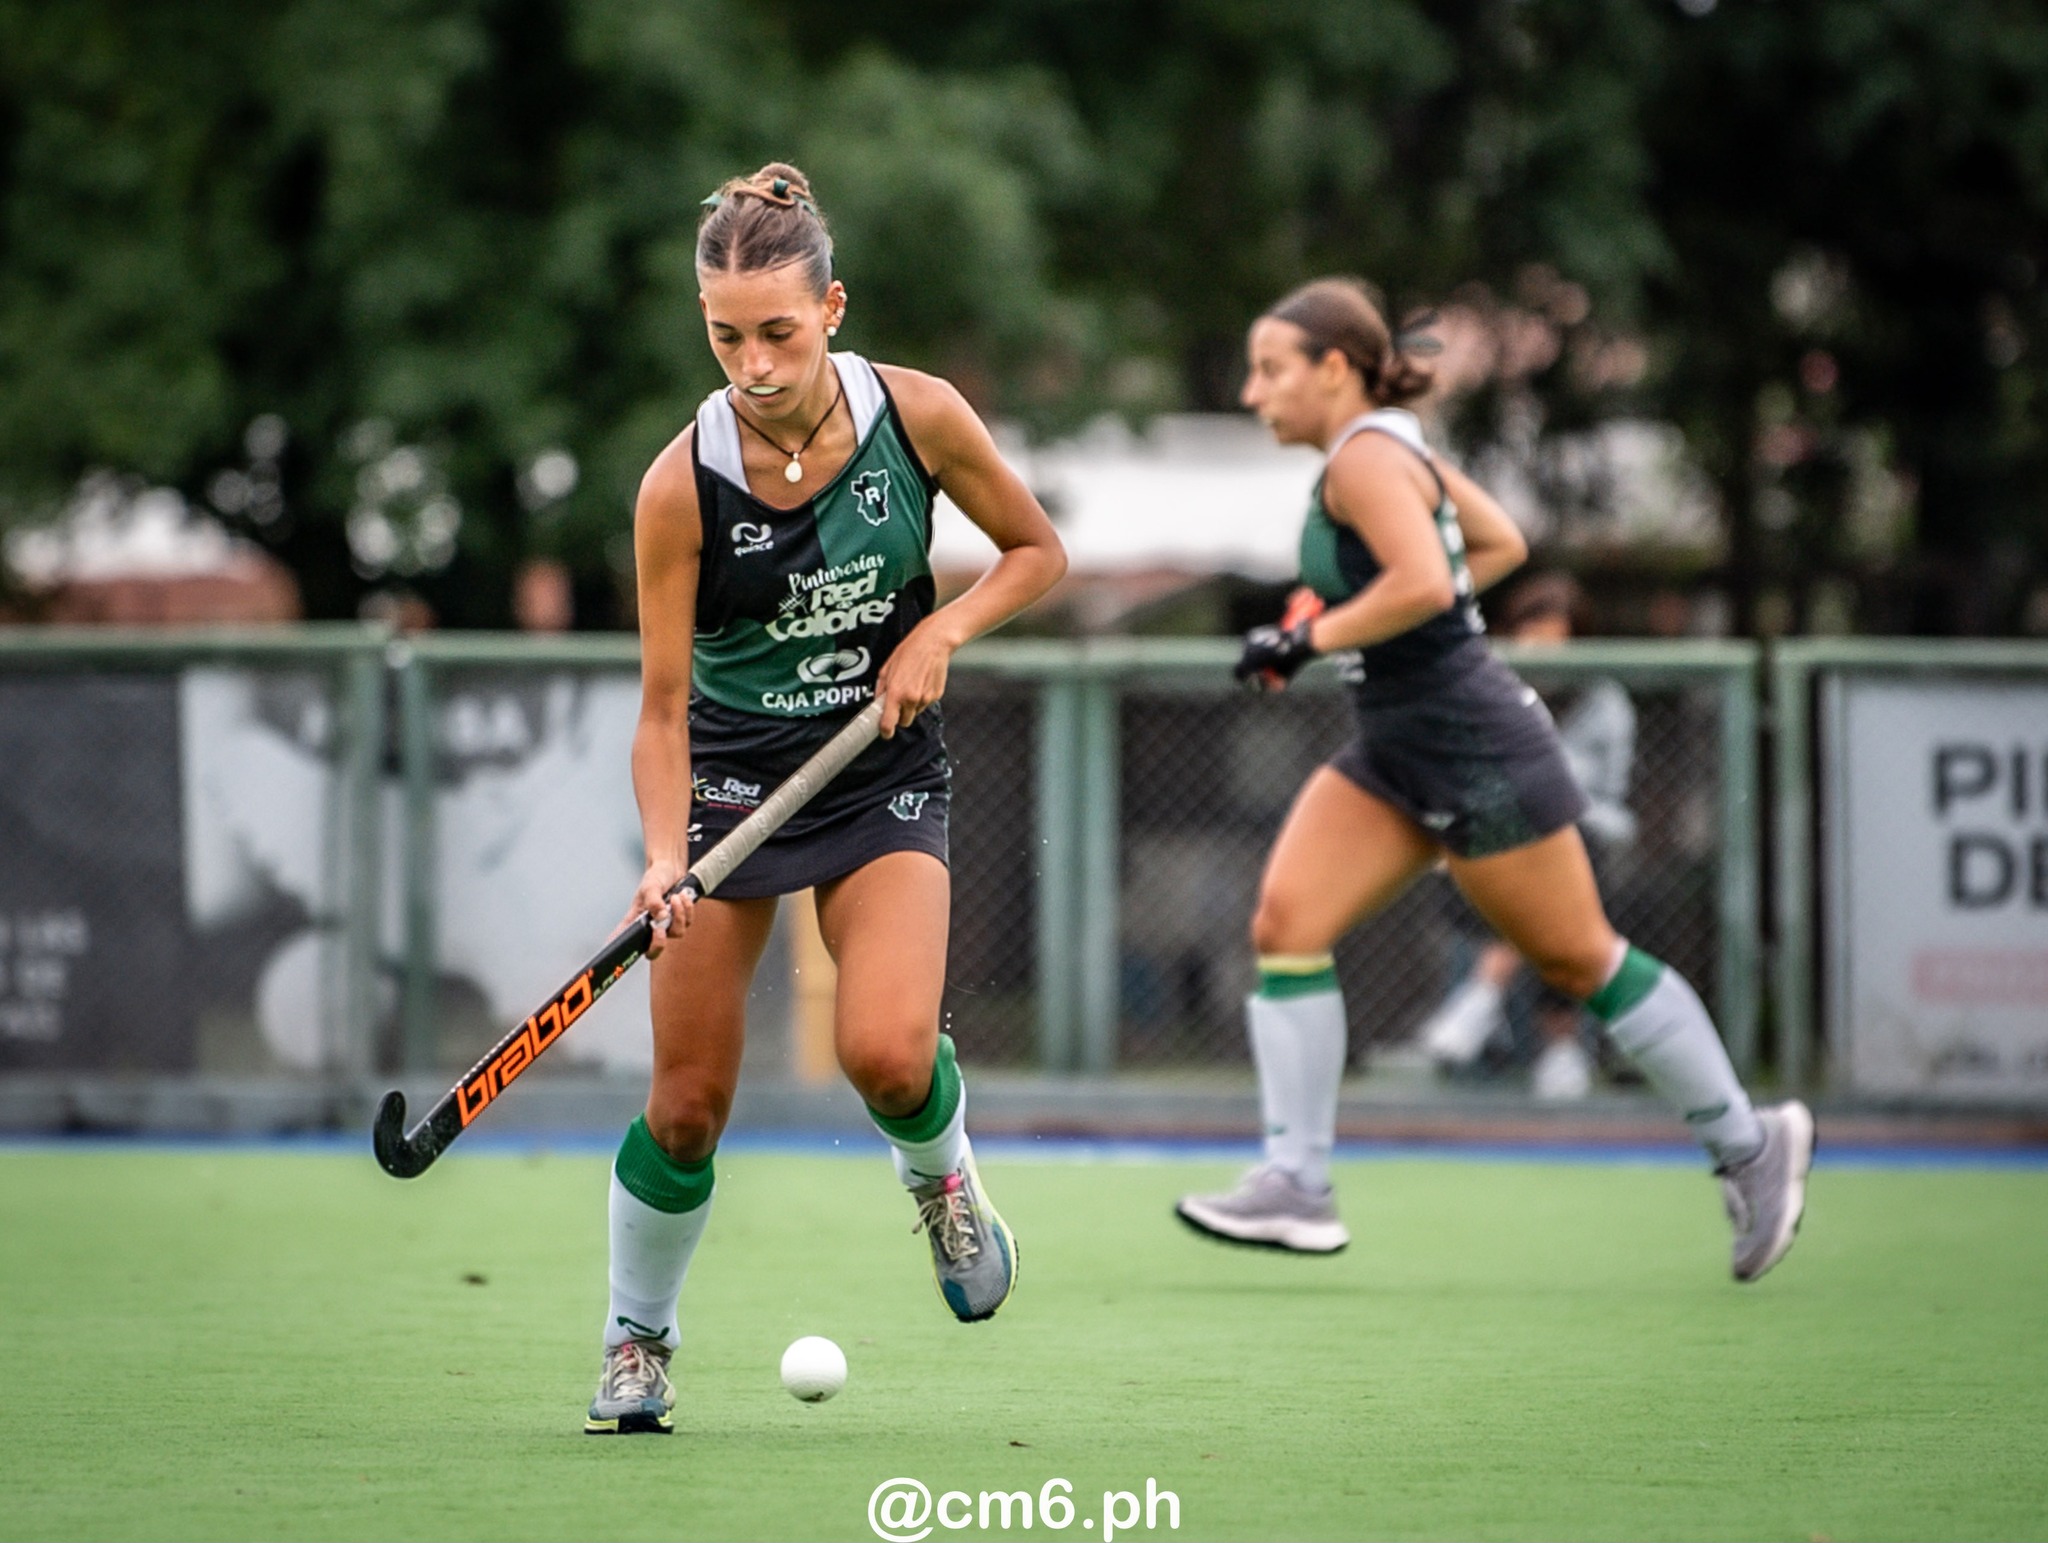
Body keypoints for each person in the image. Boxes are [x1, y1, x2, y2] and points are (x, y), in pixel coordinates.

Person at [1174, 277, 1811, 1282]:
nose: (1253, 394)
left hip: (1470, 742)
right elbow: (1497, 540)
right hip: (1394, 744)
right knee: (1284, 925)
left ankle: (1749, 1143)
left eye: (1268, 370)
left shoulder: (1368, 457)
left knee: (1579, 961)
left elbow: (1429, 582)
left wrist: (1304, 636)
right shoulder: (1387, 450)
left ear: (1331, 369)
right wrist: (1334, 609)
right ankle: (1294, 1181)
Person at [589, 163, 1066, 1435]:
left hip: (878, 773)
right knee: (686, 1106)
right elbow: (657, 707)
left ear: (834, 309)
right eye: (724, 334)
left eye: (778, 333)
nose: (751, 363)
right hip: (728, 788)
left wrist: (941, 631)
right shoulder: (677, 486)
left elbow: (1036, 552)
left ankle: (944, 1180)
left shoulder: (918, 419)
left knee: (885, 1053)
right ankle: (638, 1340)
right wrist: (657, 856)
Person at [1417, 572, 1639, 1099]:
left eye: (1555, 644)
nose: (1542, 656)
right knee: (1514, 856)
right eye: (1530, 640)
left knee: (1560, 853)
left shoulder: (1606, 702)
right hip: (1495, 843)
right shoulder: (1488, 692)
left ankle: (1485, 992)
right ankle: (1557, 1047)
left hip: (1583, 843)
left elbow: (1611, 798)